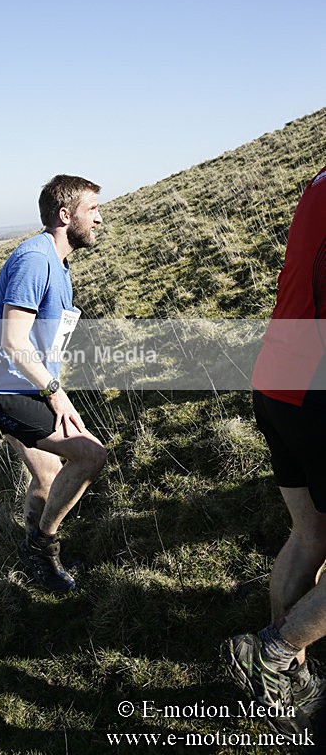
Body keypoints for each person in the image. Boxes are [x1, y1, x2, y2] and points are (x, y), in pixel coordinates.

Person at [0, 174, 107, 593]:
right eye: (93, 210)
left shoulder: (55, 259)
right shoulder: (35, 260)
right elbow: (12, 340)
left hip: (15, 385)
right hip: (0, 390)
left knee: (47, 473)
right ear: (66, 215)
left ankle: (36, 556)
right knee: (90, 456)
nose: (100, 219)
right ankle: (42, 547)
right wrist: (55, 393)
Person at [222, 167, 326, 736]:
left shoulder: (317, 180)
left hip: (279, 376)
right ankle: (275, 652)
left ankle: (284, 680)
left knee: (310, 534)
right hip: (317, 389)